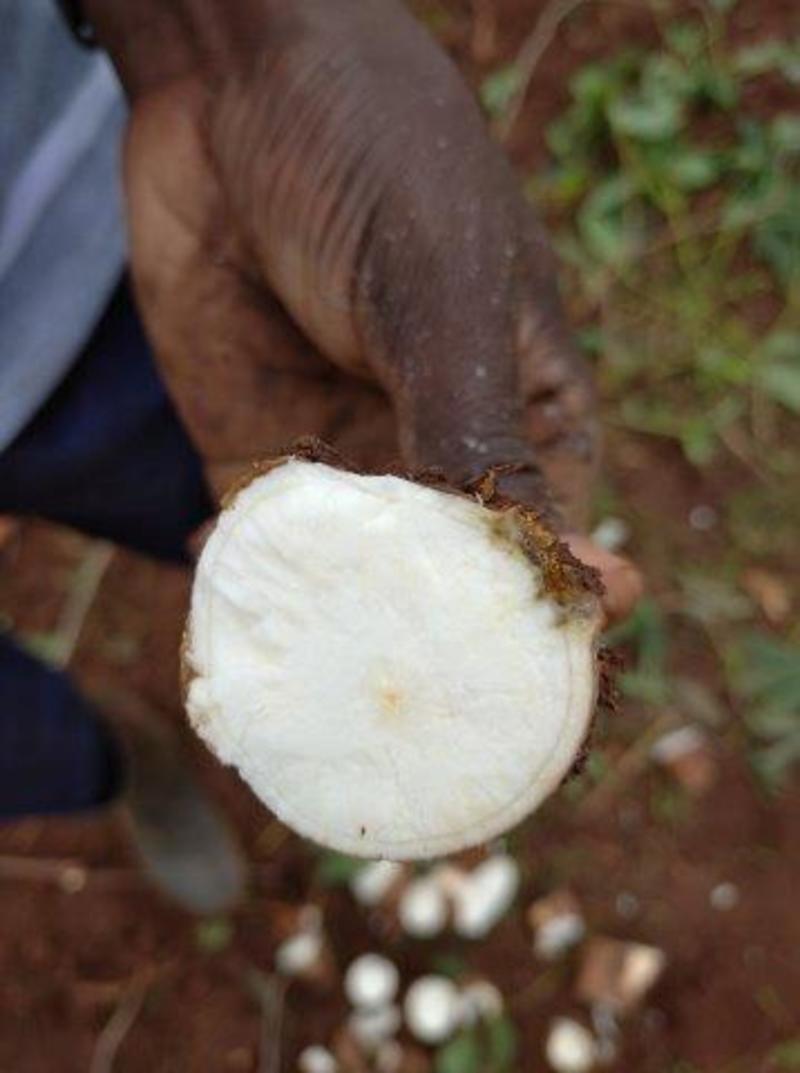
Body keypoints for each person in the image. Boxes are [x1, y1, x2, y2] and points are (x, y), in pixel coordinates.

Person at [0, 0, 641, 911]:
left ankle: (124, 752)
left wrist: (208, 41)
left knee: (227, 479)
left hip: (100, 224)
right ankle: (97, 768)